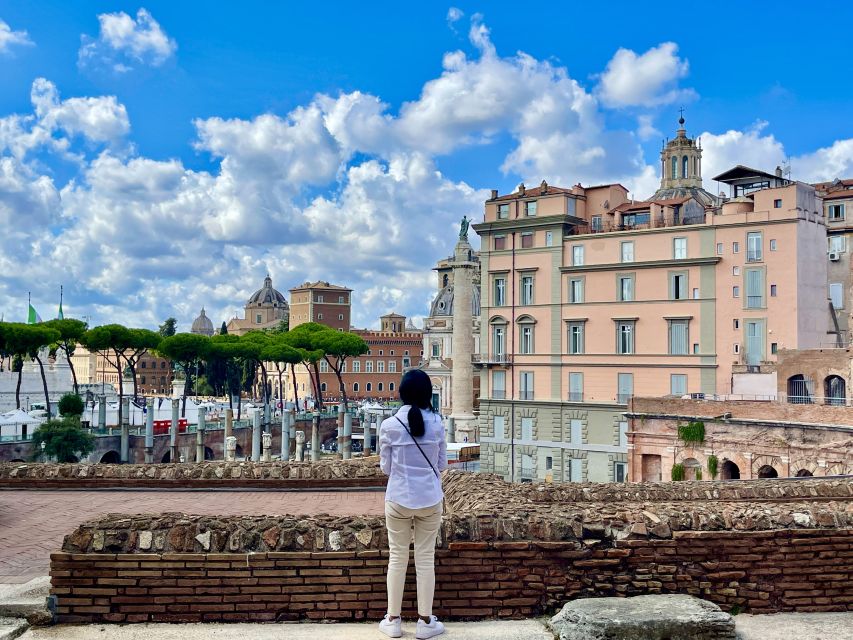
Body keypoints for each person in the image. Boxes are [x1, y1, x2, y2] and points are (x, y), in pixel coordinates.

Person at [377, 369, 448, 639]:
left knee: (397, 558)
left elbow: (386, 468)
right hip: (430, 499)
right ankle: (425, 622)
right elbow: (441, 465)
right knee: (425, 559)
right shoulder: (437, 423)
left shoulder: (389, 425)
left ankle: (393, 620)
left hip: (398, 499)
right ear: (428, 394)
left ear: (402, 394)